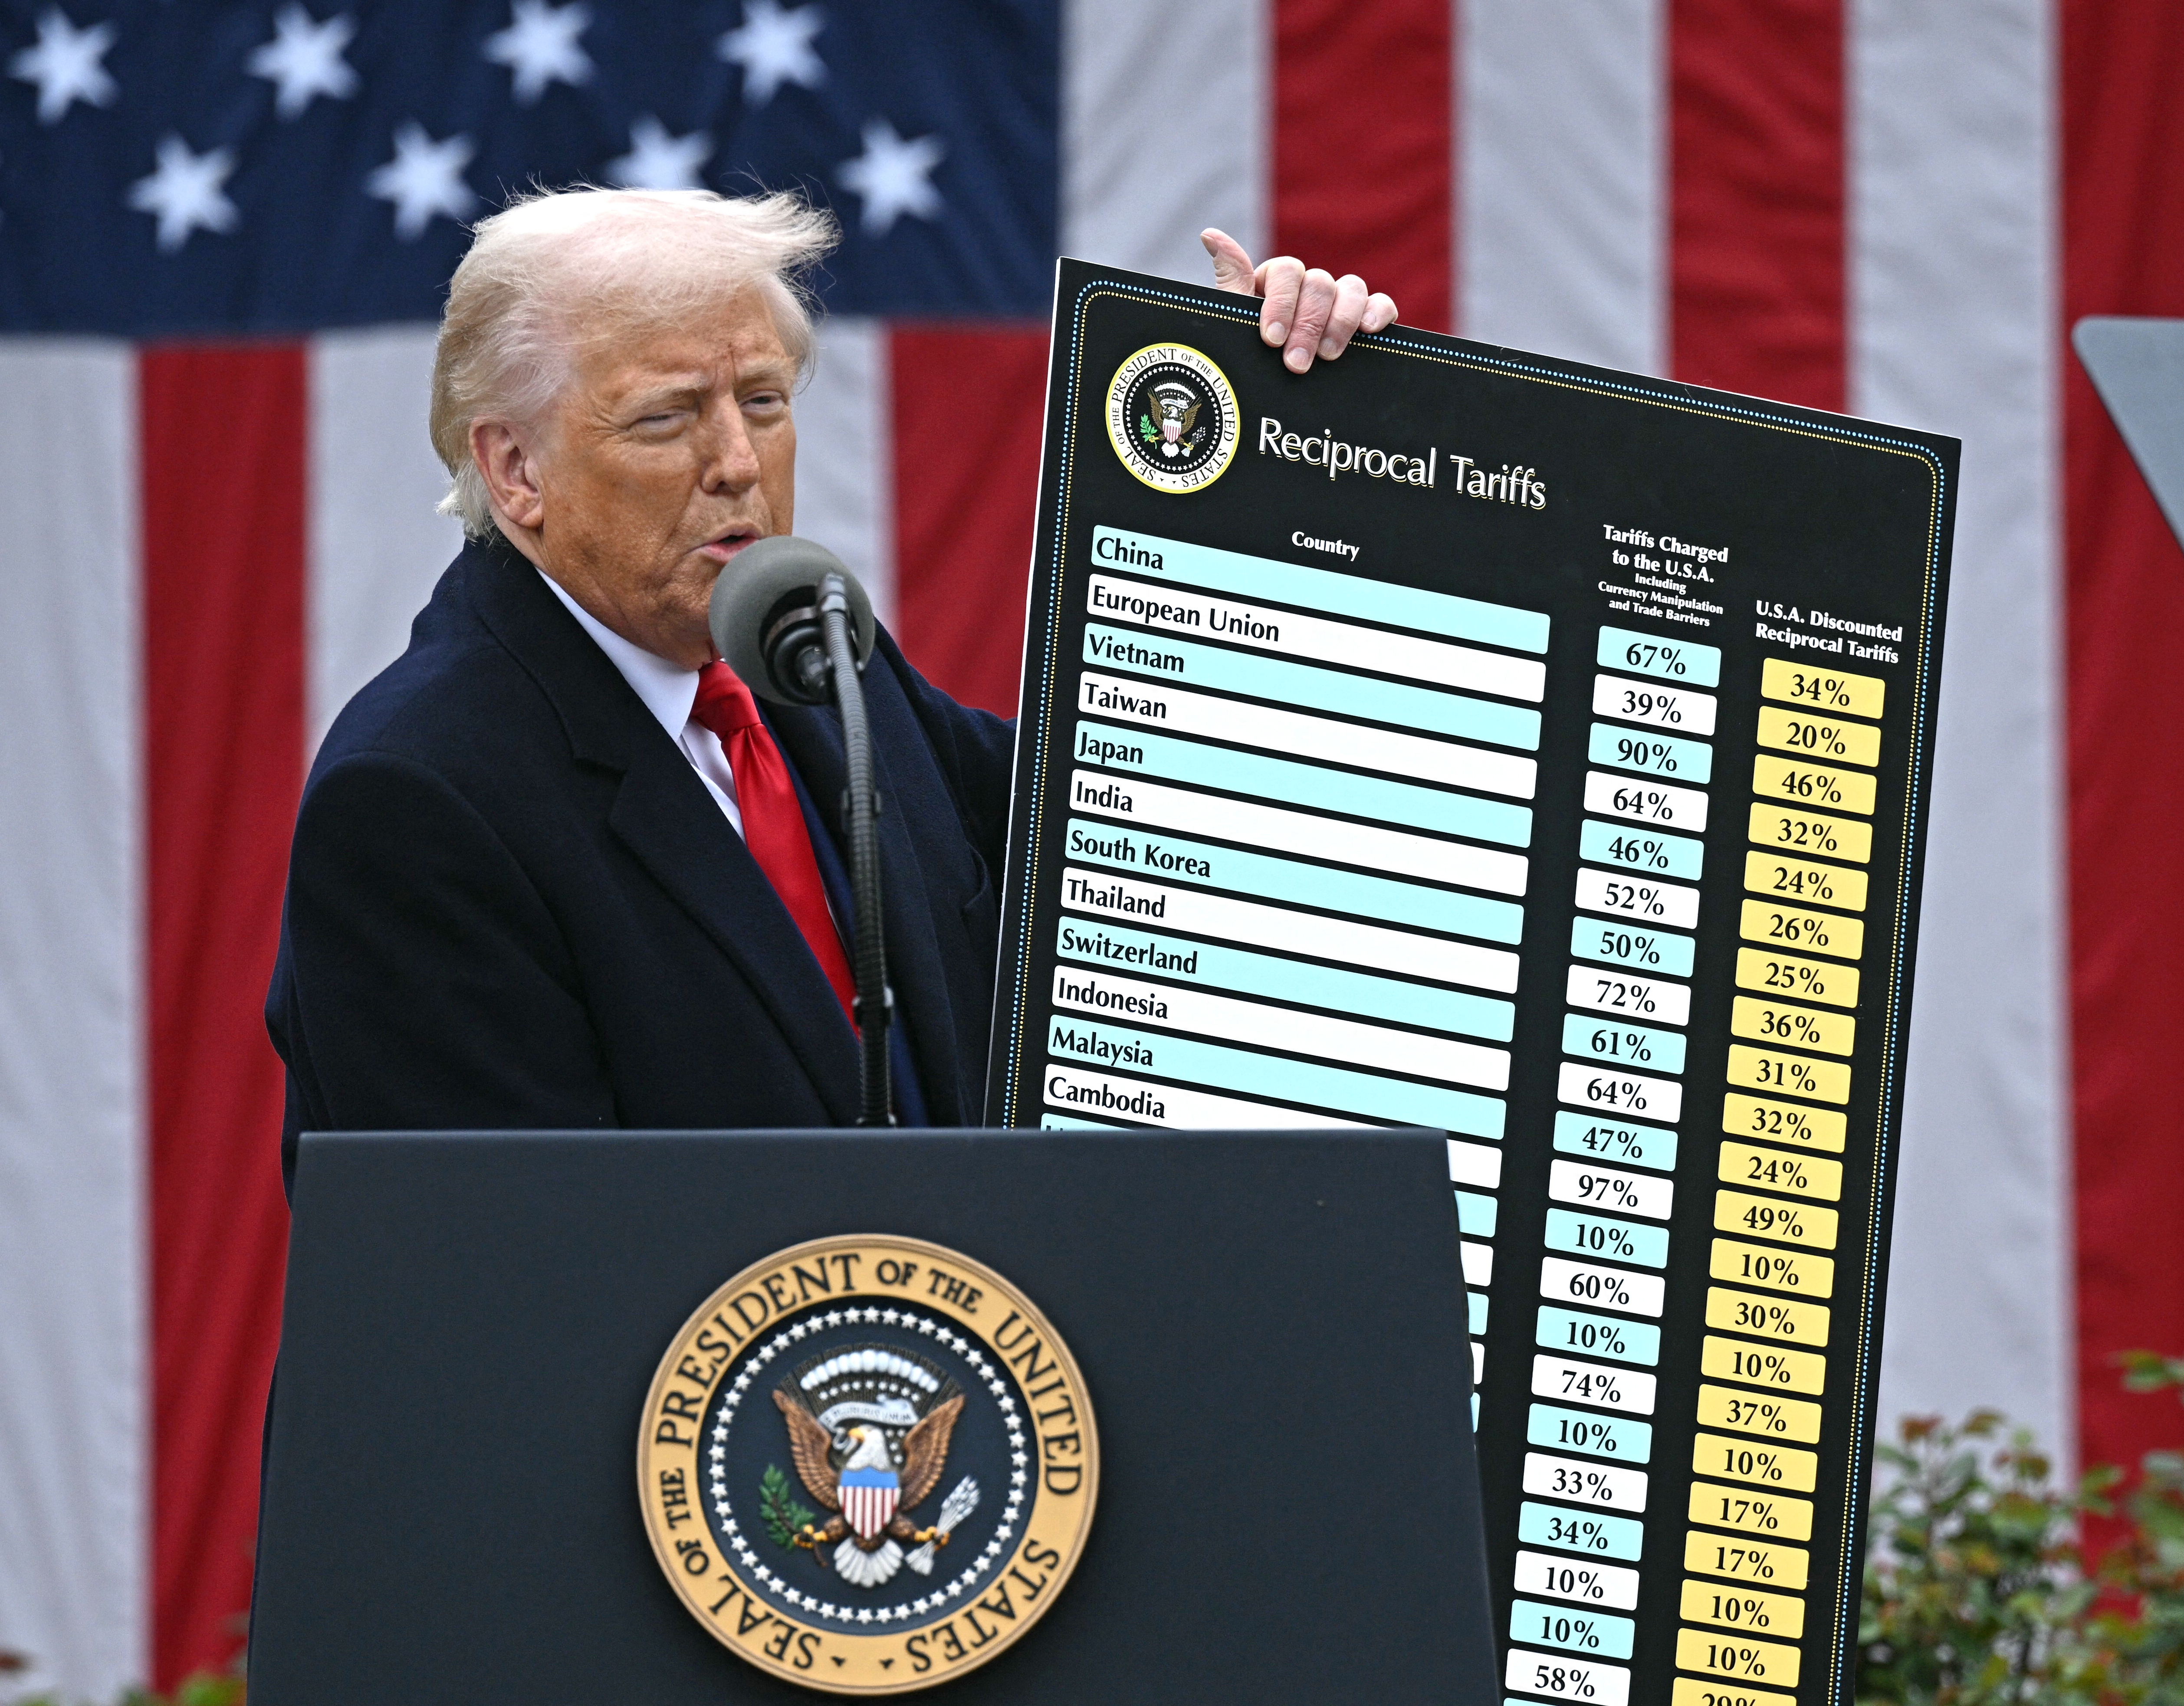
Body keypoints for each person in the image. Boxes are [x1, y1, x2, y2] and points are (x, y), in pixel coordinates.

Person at [263, 187, 1397, 1182]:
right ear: (515, 470)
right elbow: (517, 1298)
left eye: (762, 401)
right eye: (667, 416)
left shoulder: (809, 659)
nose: (738, 463)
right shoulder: (416, 800)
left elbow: (1138, 834)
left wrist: (1281, 458)